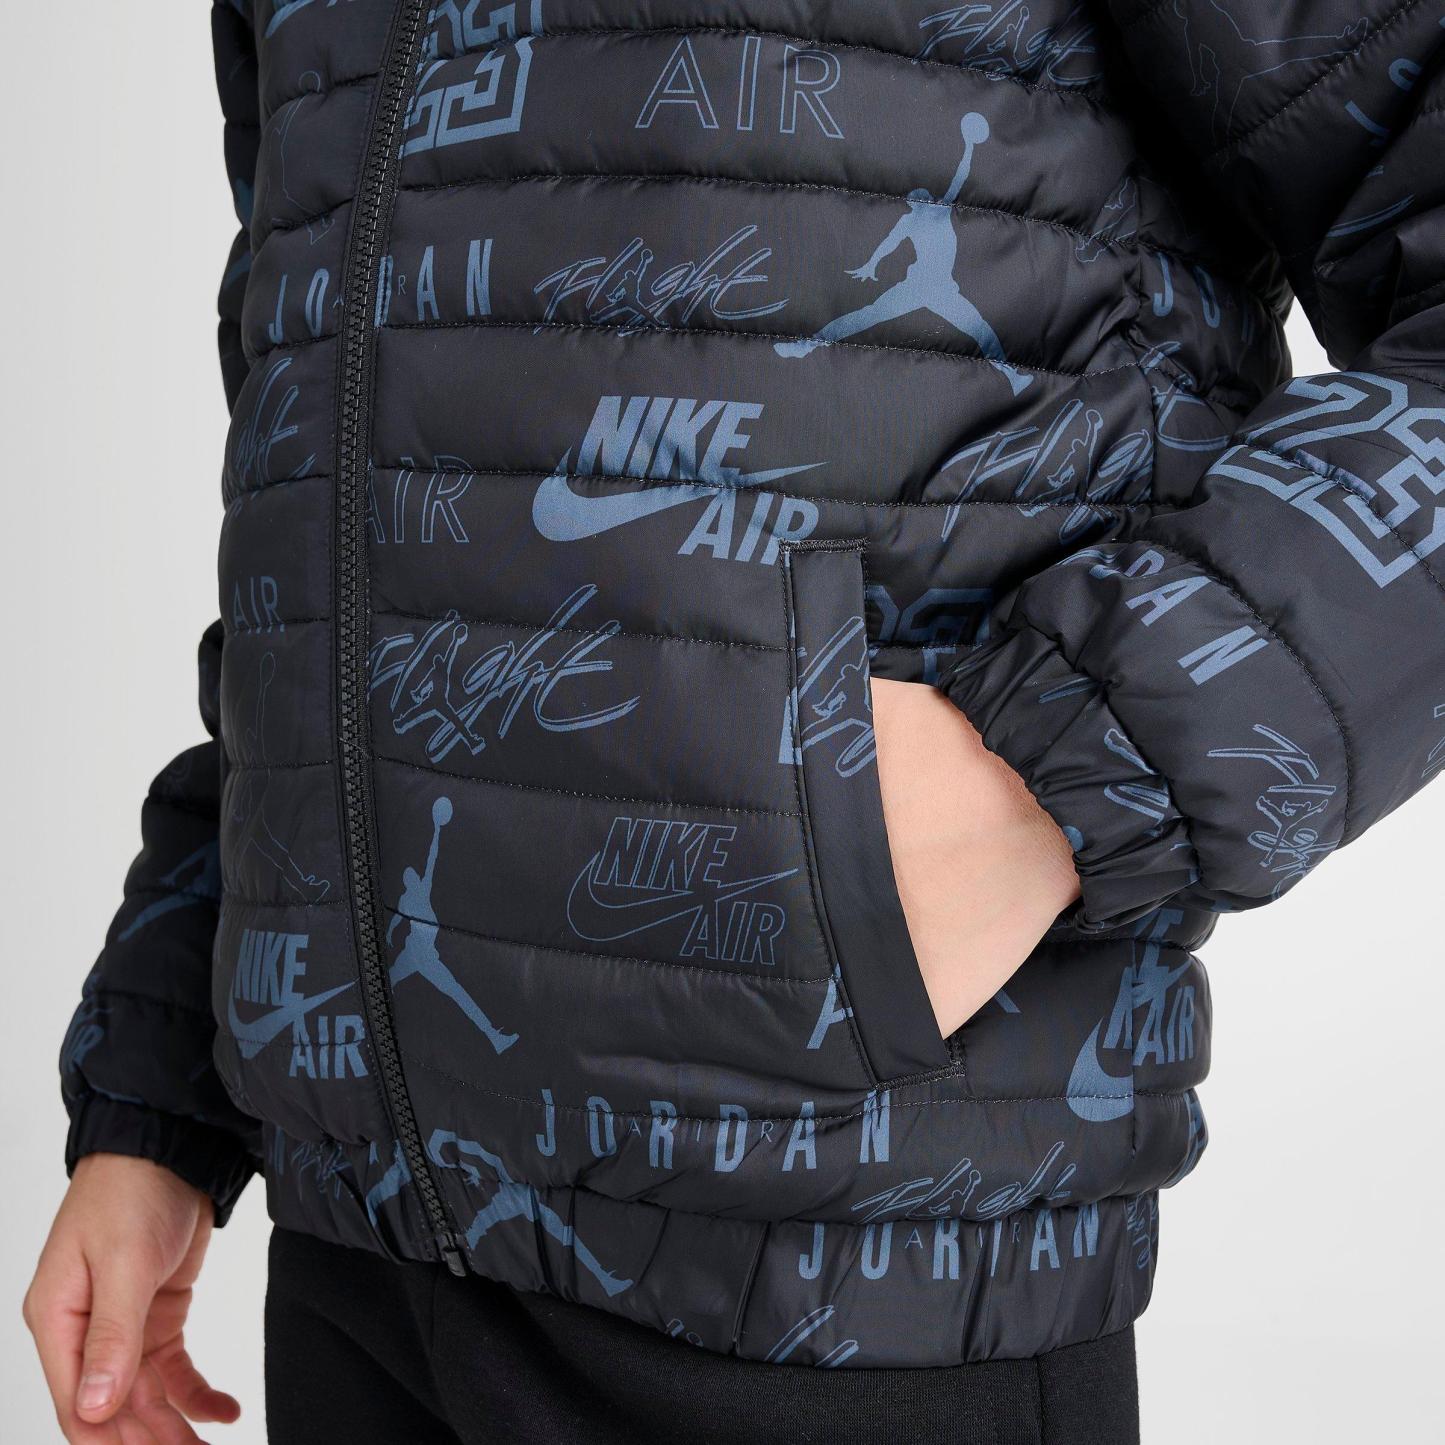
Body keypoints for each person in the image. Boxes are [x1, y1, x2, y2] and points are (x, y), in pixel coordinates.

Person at [24, 2, 1445, 1441]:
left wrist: (1057, 780)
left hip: (841, 1242)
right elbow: (325, 500)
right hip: (357, 1250)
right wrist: (166, 1088)